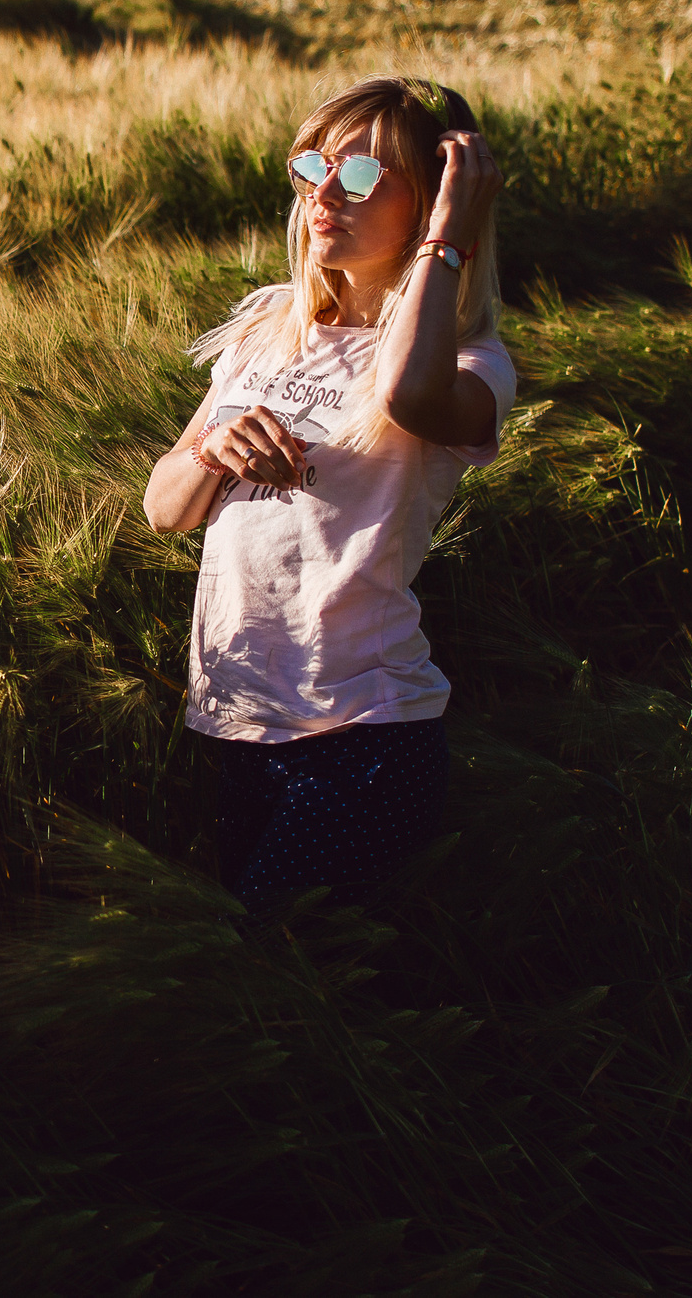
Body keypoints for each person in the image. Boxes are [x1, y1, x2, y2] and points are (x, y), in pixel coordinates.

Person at [142, 75, 512, 915]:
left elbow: (410, 401)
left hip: (365, 730)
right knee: (283, 992)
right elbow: (165, 507)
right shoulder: (270, 326)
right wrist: (213, 445)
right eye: (313, 167)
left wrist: (451, 236)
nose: (322, 195)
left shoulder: (469, 361)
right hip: (237, 719)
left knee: (273, 972)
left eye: (359, 179)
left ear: (430, 202)